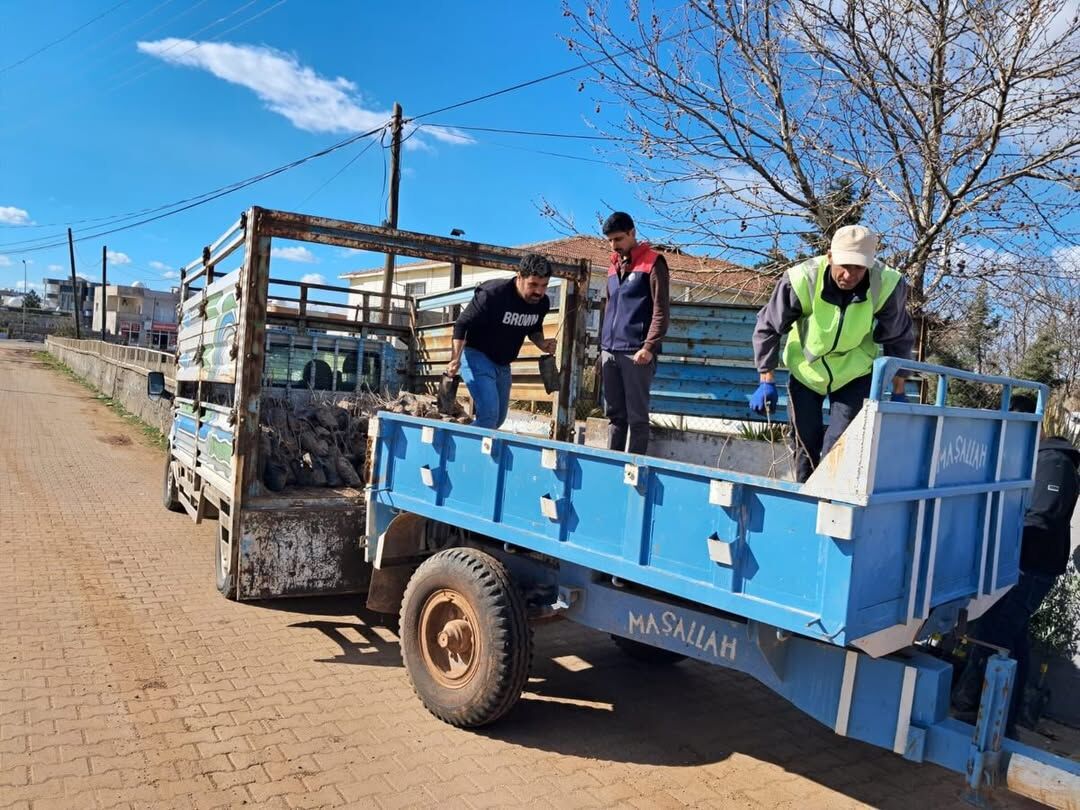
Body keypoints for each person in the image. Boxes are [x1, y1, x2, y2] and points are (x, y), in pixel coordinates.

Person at [952, 393, 1080, 735]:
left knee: (996, 636)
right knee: (1012, 637)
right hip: (1017, 563)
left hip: (1031, 567)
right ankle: (999, 718)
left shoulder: (1054, 463)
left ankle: (989, 718)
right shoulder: (1030, 458)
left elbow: (1042, 518)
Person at [750, 225, 915, 483]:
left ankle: (830, 501)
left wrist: (899, 388)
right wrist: (766, 379)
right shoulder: (802, 278)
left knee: (841, 444)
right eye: (844, 265)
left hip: (855, 369)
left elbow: (899, 336)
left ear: (870, 265)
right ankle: (804, 498)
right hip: (807, 368)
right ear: (830, 256)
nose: (849, 275)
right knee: (806, 443)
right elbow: (768, 327)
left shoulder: (887, 284)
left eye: (859, 268)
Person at [446, 253, 557, 429]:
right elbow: (462, 324)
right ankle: (461, 450)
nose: (539, 291)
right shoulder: (492, 294)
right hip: (476, 356)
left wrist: (542, 343)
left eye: (544, 286)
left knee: (498, 420)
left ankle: (465, 440)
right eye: (533, 284)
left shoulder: (542, 303)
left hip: (503, 364)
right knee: (489, 416)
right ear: (519, 276)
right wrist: (455, 359)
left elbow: (534, 328)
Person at [599, 211, 670, 454]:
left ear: (632, 233)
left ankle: (634, 470)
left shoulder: (653, 262)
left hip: (636, 353)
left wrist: (649, 347)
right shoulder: (612, 265)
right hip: (609, 351)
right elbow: (609, 305)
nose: (613, 245)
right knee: (615, 416)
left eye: (618, 239)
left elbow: (661, 310)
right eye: (609, 240)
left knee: (637, 418)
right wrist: (603, 346)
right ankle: (611, 468)